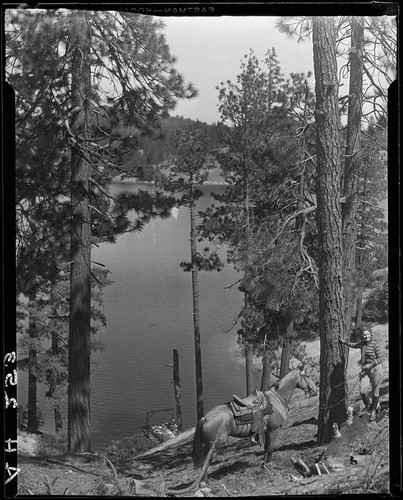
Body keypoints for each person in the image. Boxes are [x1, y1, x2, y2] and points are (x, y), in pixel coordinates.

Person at [339, 327, 384, 421]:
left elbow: (381, 358)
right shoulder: (362, 344)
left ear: (370, 335)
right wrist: (343, 342)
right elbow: (353, 345)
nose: (366, 336)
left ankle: (373, 411)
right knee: (363, 391)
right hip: (365, 370)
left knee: (375, 392)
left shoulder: (375, 344)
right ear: (362, 336)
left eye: (367, 334)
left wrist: (370, 365)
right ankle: (369, 405)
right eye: (364, 335)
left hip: (376, 370)